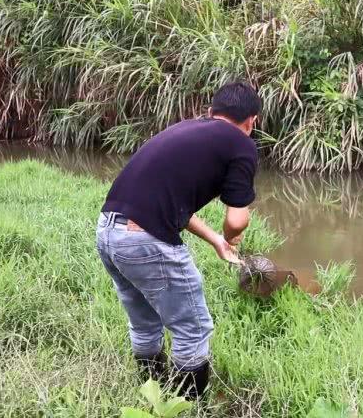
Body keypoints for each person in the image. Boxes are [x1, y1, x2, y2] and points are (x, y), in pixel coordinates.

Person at [95, 81, 261, 399]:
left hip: (107, 231)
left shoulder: (186, 130)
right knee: (194, 329)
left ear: (211, 113)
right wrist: (232, 235)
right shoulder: (242, 144)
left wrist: (216, 240)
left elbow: (174, 208)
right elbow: (237, 218)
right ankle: (186, 406)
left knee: (144, 324)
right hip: (144, 240)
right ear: (251, 122)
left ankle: (153, 392)